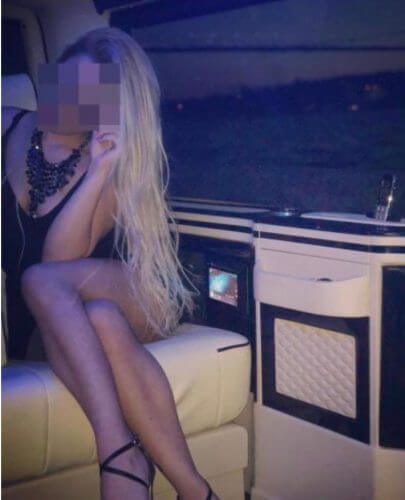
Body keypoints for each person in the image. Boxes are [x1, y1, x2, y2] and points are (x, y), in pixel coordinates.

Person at [1, 27, 218, 500]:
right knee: (96, 317)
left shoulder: (111, 165)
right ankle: (196, 492)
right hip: (56, 316)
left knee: (44, 280)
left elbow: (57, 263)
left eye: (87, 96)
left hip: (131, 292)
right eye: (66, 82)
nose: (68, 99)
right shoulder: (7, 126)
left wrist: (98, 171)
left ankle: (119, 455)